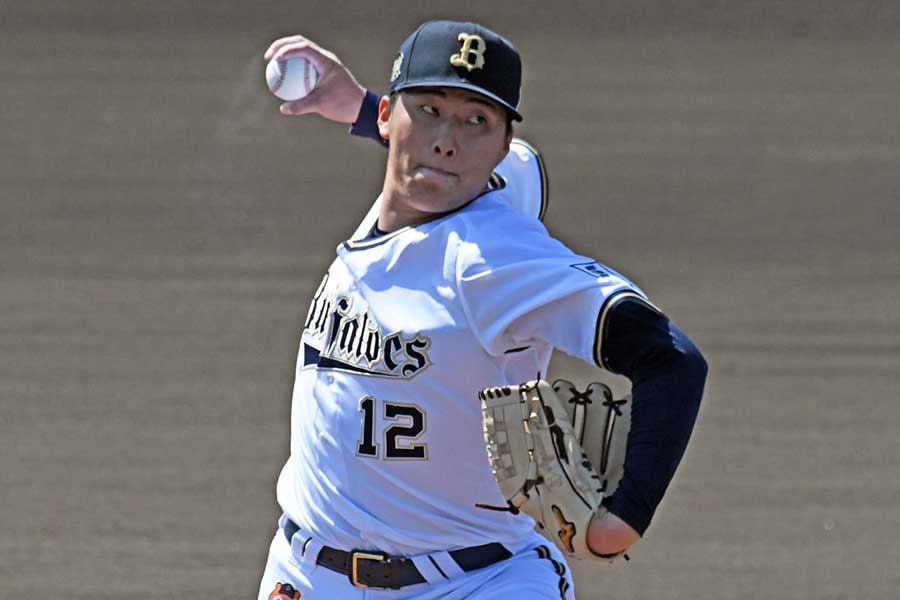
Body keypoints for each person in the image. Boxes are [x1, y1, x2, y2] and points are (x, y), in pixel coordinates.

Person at [257, 21, 707, 600]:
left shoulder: (495, 261)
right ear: (391, 117)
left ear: (499, 145)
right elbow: (461, 155)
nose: (448, 141)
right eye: (429, 109)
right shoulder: (478, 181)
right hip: (306, 577)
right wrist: (354, 105)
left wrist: (624, 519)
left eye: (478, 122)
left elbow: (671, 359)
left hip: (476, 582)